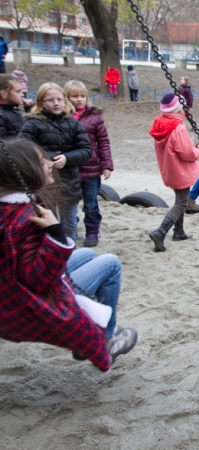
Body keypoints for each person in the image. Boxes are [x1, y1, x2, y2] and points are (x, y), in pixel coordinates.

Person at [0, 139, 137, 371]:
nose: (49, 164)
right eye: (42, 161)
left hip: (9, 294)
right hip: (28, 304)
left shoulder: (8, 208)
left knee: (85, 254)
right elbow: (39, 280)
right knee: (110, 263)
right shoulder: (26, 218)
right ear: (25, 172)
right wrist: (55, 234)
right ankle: (106, 338)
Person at [20, 82, 93, 242]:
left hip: (69, 180)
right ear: (41, 102)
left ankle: (69, 255)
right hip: (43, 182)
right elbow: (24, 148)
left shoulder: (73, 123)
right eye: (51, 100)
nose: (56, 103)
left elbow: (86, 149)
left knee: (70, 223)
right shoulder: (32, 124)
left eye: (60, 99)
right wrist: (49, 157)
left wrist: (67, 158)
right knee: (47, 224)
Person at [148, 93, 199, 251]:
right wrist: (197, 151)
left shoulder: (161, 124)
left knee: (180, 199)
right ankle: (161, 231)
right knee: (181, 203)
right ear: (179, 110)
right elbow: (186, 152)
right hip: (180, 170)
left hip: (170, 169)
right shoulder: (177, 127)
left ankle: (179, 231)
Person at [64, 81, 113, 248]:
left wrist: (107, 164)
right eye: (74, 96)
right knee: (69, 202)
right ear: (66, 98)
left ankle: (92, 230)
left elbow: (103, 143)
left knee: (91, 203)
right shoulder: (63, 118)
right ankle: (71, 226)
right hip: (69, 168)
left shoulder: (95, 118)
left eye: (82, 96)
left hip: (91, 169)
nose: (79, 100)